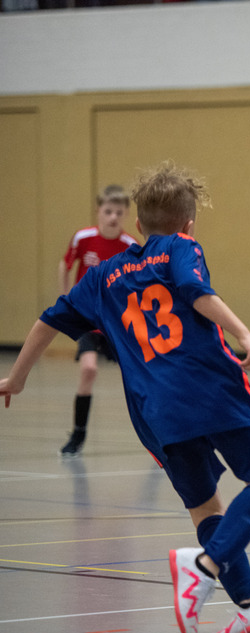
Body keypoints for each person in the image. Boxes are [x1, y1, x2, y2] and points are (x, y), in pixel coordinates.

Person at [0, 162, 250, 633]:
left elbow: (47, 321)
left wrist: (17, 377)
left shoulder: (102, 277)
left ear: (137, 225)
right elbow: (197, 292)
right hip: (212, 388)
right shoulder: (181, 247)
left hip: (155, 412)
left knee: (205, 508)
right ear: (189, 224)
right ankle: (204, 564)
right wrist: (244, 333)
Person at [57, 184, 138, 456]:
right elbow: (65, 265)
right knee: (88, 370)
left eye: (119, 212)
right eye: (108, 211)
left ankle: (162, 436)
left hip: (116, 323)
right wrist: (66, 299)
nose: (113, 217)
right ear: (98, 211)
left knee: (139, 376)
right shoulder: (83, 238)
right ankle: (78, 435)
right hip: (87, 320)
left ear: (126, 214)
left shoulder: (130, 246)